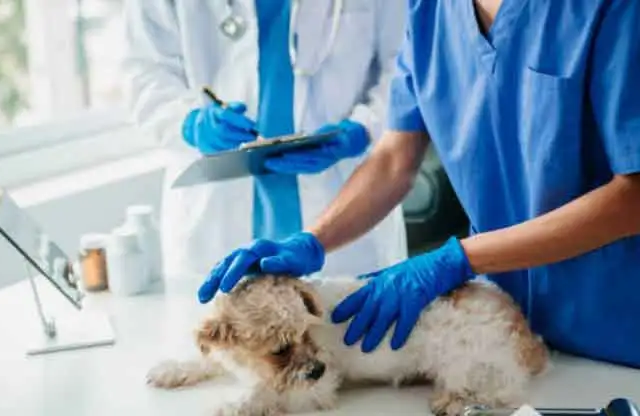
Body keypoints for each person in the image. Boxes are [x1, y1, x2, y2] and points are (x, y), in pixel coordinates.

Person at [199, 0, 640, 369]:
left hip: (616, 332)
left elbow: (634, 196)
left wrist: (458, 259)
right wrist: (312, 241)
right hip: (504, 330)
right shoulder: (432, 11)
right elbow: (396, 157)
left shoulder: (612, 9)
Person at [121, 1, 409, 283]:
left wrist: (363, 128)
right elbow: (144, 74)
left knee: (347, 320)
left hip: (344, 209)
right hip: (214, 216)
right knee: (221, 324)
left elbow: (406, 65)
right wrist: (190, 123)